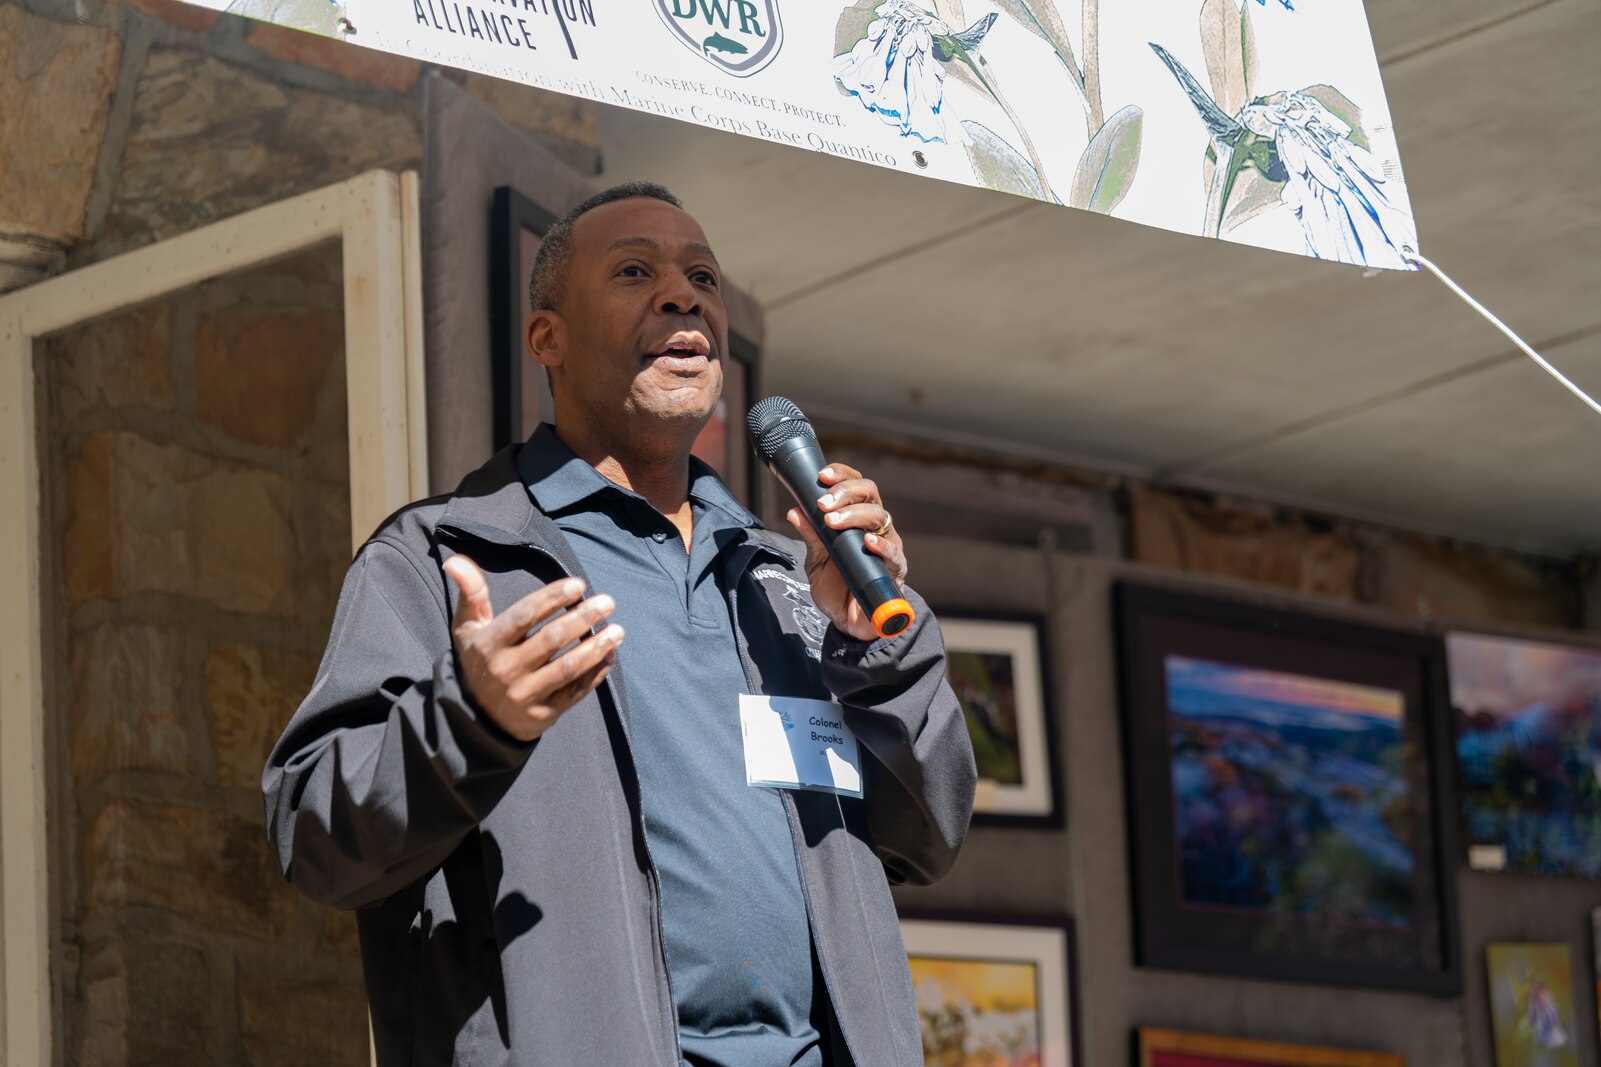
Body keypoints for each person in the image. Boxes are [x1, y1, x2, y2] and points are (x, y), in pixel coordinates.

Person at [263, 181, 977, 1066]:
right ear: (546, 338)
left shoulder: (790, 577)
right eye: (636, 271)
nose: (683, 296)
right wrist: (468, 722)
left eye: (702, 278)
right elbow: (314, 840)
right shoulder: (446, 559)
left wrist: (876, 653)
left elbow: (924, 836)